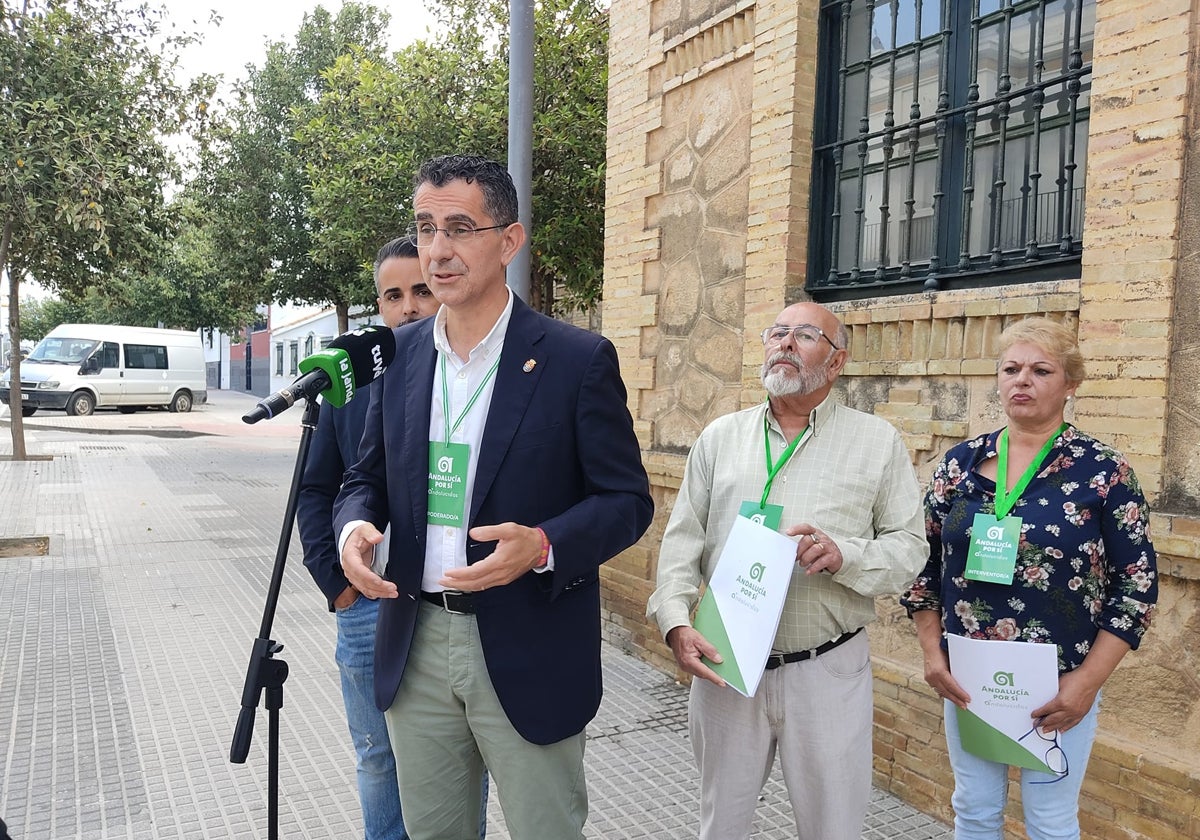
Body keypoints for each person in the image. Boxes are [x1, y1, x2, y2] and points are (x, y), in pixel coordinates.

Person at [335, 154, 654, 840]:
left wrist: (542, 546)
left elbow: (627, 500)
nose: (438, 250)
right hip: (415, 642)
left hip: (528, 640)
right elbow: (366, 478)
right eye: (425, 228)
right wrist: (355, 528)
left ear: (509, 240)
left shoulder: (576, 359)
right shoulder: (401, 356)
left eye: (459, 227)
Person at [647, 301, 927, 840]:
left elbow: (909, 549)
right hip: (725, 664)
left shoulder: (877, 442)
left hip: (826, 670)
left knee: (832, 827)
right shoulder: (719, 437)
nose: (785, 343)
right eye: (777, 332)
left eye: (804, 335)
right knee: (720, 825)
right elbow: (681, 544)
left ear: (838, 360)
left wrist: (847, 555)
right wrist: (675, 621)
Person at [900, 317, 1158, 840]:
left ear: (1070, 384)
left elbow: (1136, 587)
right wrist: (932, 654)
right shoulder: (959, 466)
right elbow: (919, 564)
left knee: (1050, 821)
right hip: (969, 677)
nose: (1023, 380)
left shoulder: (1103, 471)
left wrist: (1086, 685)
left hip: (1060, 683)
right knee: (973, 810)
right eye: (1011, 368)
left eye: (1041, 370)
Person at [296, 236, 440, 840]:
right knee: (377, 757)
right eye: (393, 294)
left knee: (449, 765)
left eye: (421, 291)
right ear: (378, 304)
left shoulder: (470, 381)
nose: (408, 307)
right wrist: (338, 587)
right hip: (367, 605)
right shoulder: (346, 385)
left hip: (444, 606)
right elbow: (315, 488)